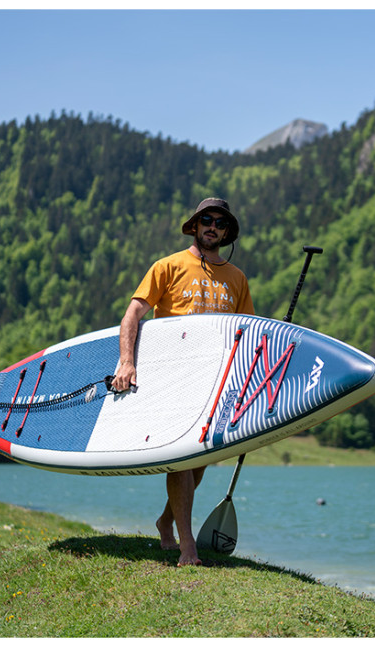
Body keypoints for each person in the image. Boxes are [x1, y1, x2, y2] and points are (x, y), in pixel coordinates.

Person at [110, 197, 254, 566]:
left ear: (227, 232)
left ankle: (166, 520)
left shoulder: (237, 278)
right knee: (182, 459)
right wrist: (127, 361)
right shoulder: (168, 266)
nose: (213, 227)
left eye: (220, 223)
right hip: (171, 377)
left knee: (200, 461)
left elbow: (246, 333)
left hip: (215, 383)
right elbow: (133, 314)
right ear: (195, 225)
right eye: (207, 220)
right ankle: (186, 545)